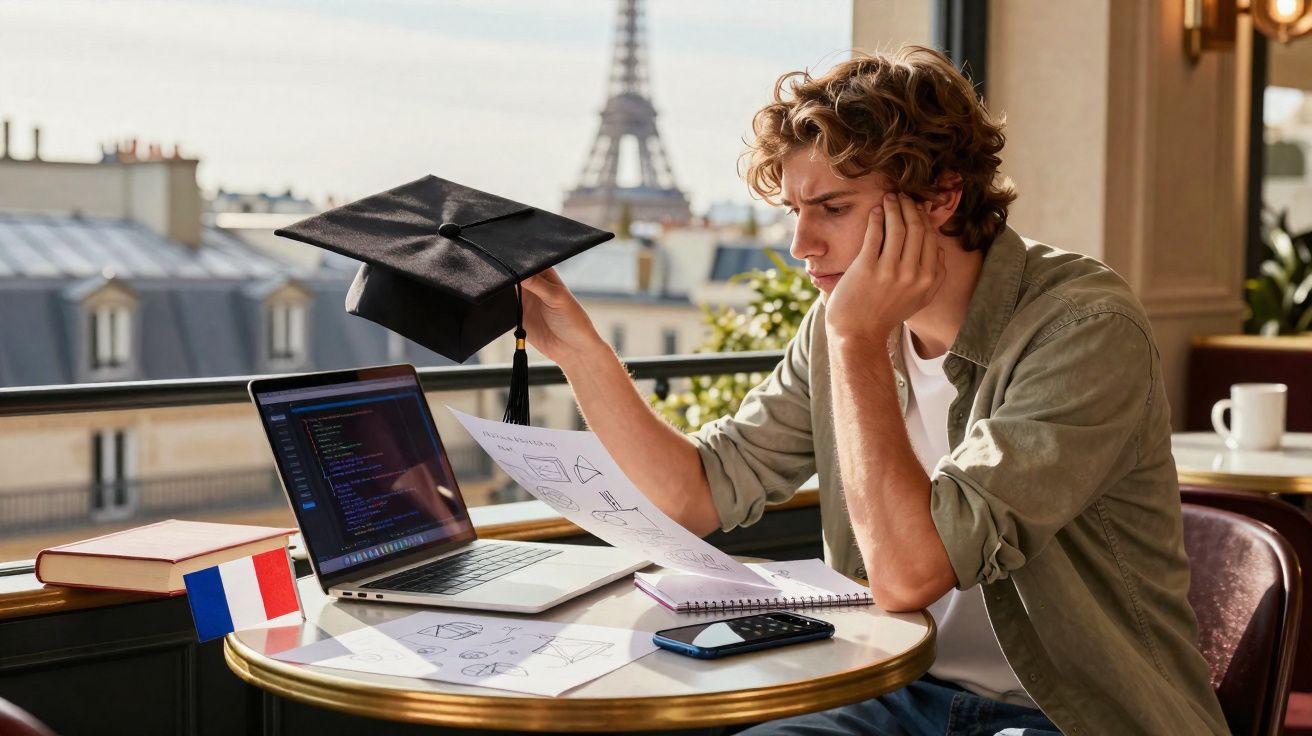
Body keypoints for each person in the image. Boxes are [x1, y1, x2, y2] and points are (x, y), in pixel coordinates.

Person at [520, 46, 1228, 735]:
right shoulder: (841, 321)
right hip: (892, 692)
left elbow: (908, 575)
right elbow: (694, 495)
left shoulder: (1083, 328)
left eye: (832, 208)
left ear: (942, 196)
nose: (801, 245)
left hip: (1070, 715)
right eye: (794, 211)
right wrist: (578, 350)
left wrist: (857, 341)